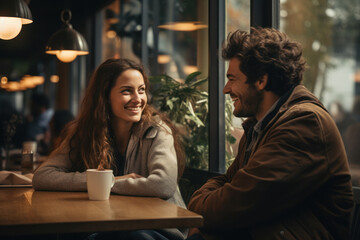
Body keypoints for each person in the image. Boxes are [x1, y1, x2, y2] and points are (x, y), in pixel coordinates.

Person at [186, 27, 354, 240]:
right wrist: (203, 210)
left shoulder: (303, 123)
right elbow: (229, 184)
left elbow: (235, 204)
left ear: (261, 81)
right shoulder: (260, 125)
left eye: (232, 79)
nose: (225, 89)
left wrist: (199, 209)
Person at [32, 58, 187, 240]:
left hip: (155, 227)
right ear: (105, 96)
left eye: (142, 90)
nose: (138, 99)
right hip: (110, 223)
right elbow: (42, 177)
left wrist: (106, 184)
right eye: (127, 91)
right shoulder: (84, 132)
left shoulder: (157, 131)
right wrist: (112, 181)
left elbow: (163, 185)